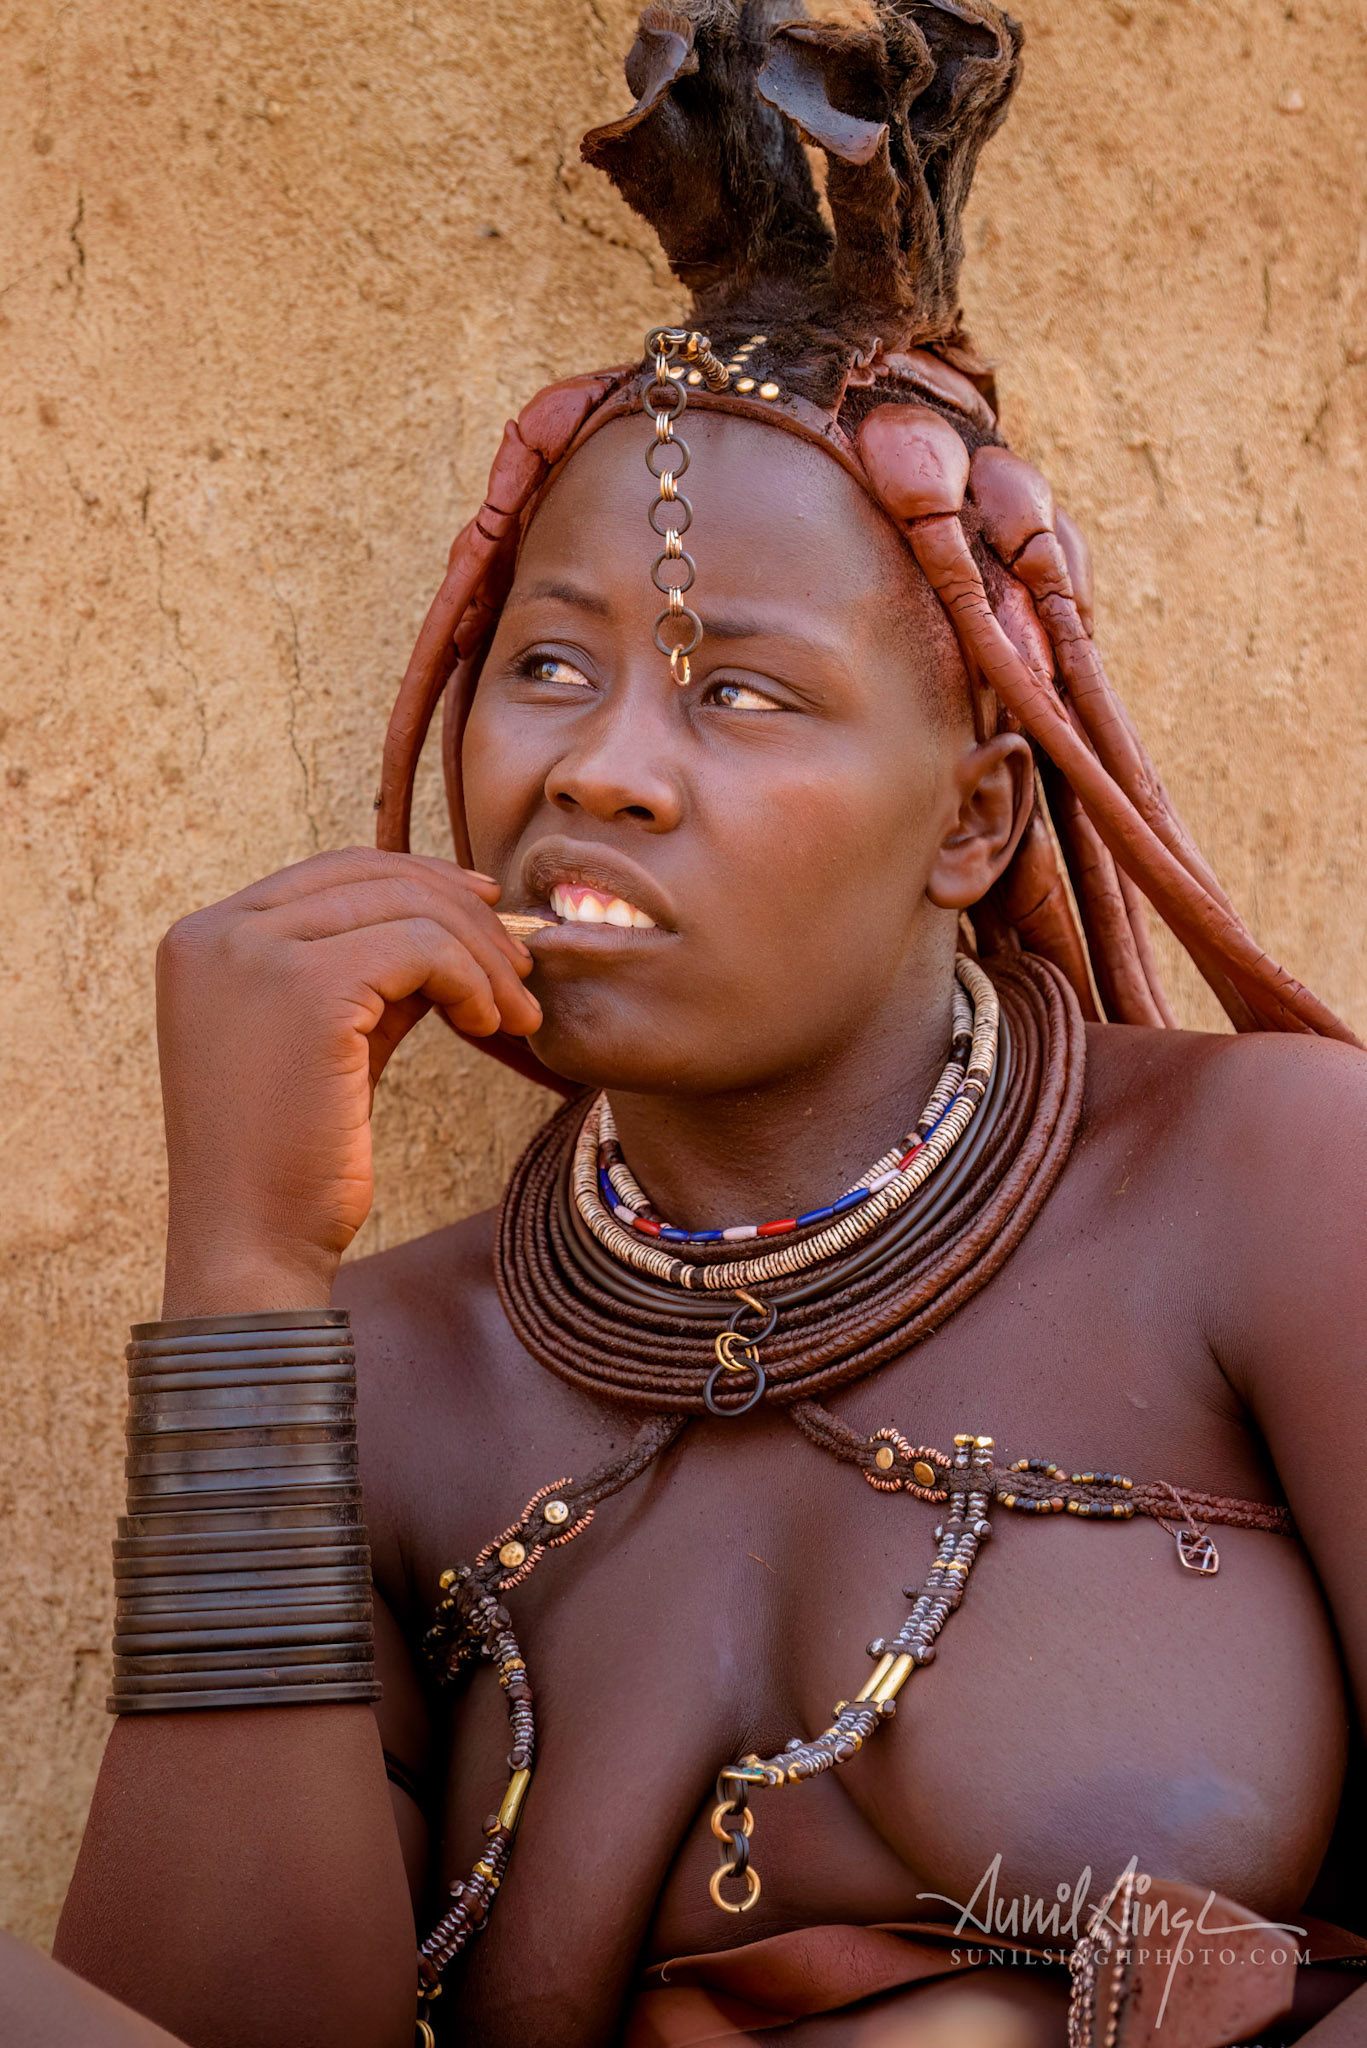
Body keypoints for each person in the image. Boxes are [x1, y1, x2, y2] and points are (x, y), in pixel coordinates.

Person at [50, 2, 1367, 2044]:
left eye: (740, 692)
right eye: (548, 666)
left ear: (976, 815)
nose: (602, 770)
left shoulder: (1272, 1184)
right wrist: (239, 1274)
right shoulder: (399, 1366)